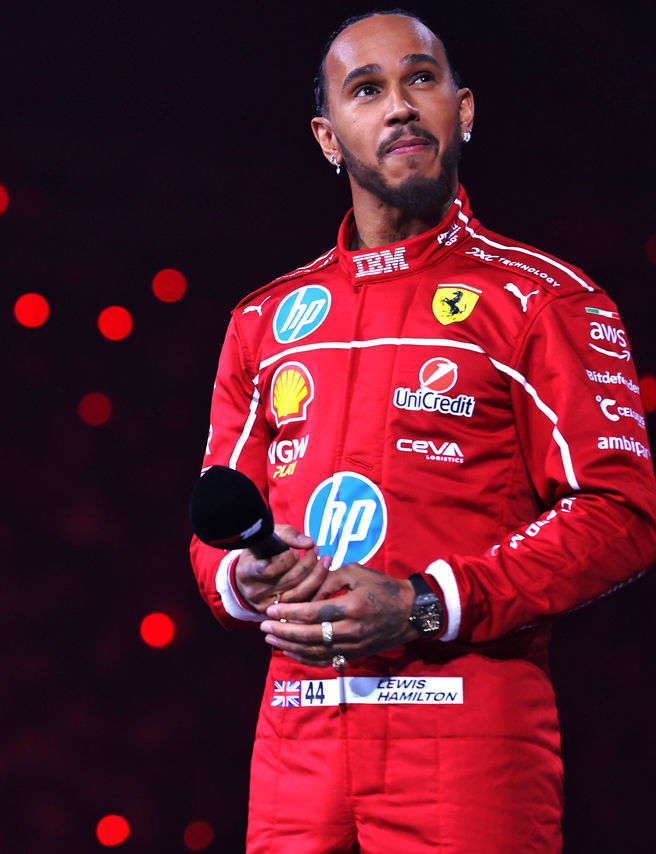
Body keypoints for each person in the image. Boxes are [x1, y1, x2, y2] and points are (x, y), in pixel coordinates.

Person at [188, 9, 656, 852]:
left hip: (465, 738)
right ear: (329, 139)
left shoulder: (544, 300)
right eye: (367, 90)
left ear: (462, 110)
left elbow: (620, 514)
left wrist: (422, 605)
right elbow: (214, 532)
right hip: (296, 739)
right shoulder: (264, 321)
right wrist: (244, 578)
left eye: (421, 79)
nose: (400, 105)